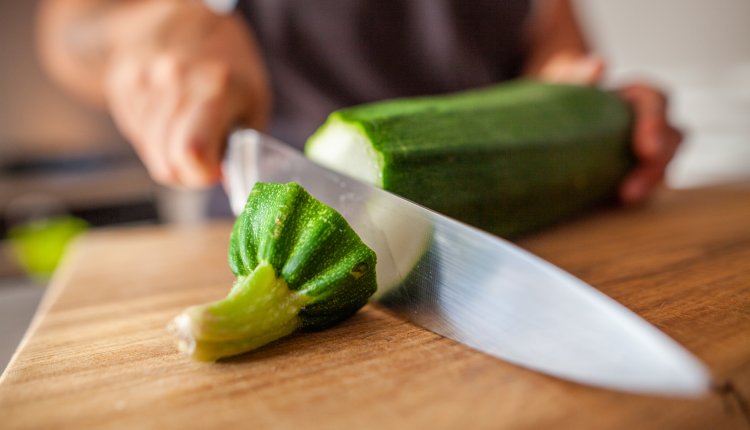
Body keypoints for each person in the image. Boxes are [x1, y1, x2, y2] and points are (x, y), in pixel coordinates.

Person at [36, 0, 682, 205]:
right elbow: (69, 31)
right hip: (276, 223)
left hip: (491, 221)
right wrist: (144, 30)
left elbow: (552, 40)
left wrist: (587, 116)